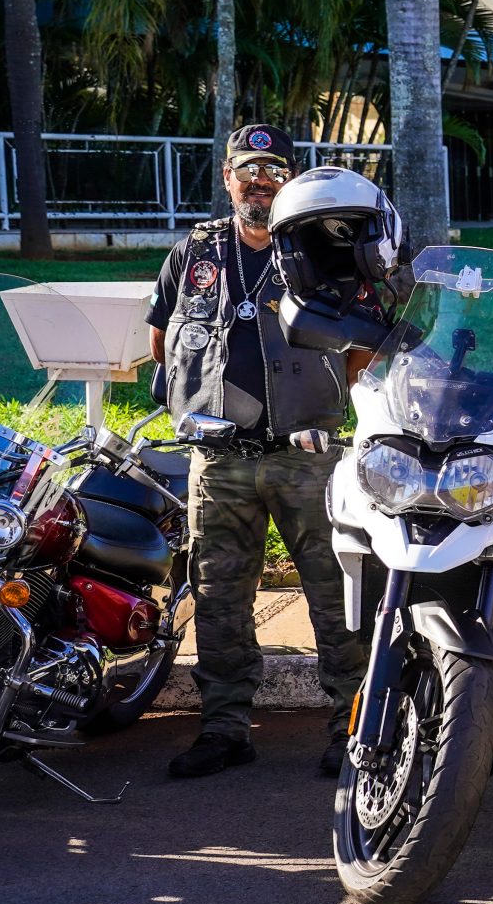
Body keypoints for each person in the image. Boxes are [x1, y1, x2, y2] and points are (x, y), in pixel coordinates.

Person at [145, 126, 371, 780]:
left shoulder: (323, 248)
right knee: (217, 598)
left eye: (273, 171)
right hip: (219, 462)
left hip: (307, 457)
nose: (260, 182)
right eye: (248, 170)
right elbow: (161, 341)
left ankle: (354, 729)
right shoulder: (194, 252)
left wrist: (317, 402)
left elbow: (361, 347)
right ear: (228, 177)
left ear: (291, 179)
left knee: (336, 595)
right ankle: (224, 729)